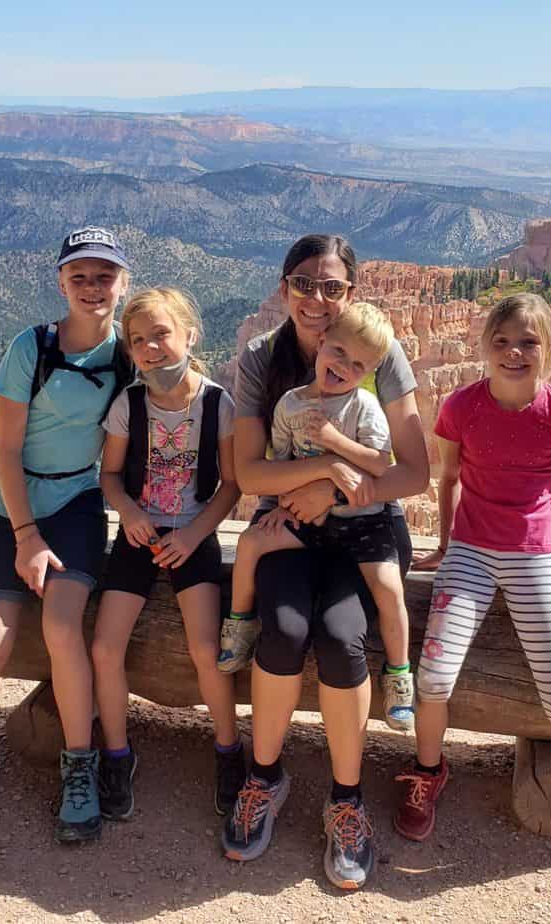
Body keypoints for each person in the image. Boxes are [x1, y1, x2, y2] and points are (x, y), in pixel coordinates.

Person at [392, 293, 551, 894]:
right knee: (432, 680)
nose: (514, 352)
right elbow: (449, 478)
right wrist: (445, 547)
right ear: (484, 346)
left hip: (533, 556)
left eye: (528, 342)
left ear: (548, 350)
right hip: (472, 553)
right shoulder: (461, 407)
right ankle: (429, 770)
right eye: (503, 341)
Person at [222, 234, 429, 891]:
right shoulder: (263, 359)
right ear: (284, 287)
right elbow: (248, 469)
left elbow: (415, 473)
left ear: (350, 295)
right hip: (288, 522)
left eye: (331, 287)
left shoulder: (379, 354)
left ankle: (346, 799)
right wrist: (320, 472)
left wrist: (332, 487)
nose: (316, 299)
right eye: (303, 284)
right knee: (281, 630)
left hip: (362, 530)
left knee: (342, 640)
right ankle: (264, 778)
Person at [0, 226, 134, 846]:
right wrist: (24, 535)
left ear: (123, 283)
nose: (92, 288)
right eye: (80, 277)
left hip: (78, 501)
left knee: (64, 628)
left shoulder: (126, 354)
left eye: (104, 276)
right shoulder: (30, 348)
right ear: (61, 282)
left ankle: (78, 767)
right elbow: (6, 451)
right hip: (10, 505)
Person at [217, 302, 415, 733]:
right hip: (309, 520)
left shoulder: (363, 407)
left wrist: (332, 440)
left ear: (370, 371)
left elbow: (381, 463)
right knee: (250, 544)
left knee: (388, 587)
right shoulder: (289, 405)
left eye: (358, 363)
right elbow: (280, 465)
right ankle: (240, 623)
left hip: (363, 522)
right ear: (322, 342)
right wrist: (282, 510)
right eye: (339, 352)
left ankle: (400, 673)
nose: (343, 366)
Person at [92, 287, 246, 820]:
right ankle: (116, 753)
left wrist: (195, 534)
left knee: (207, 650)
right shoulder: (128, 406)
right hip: (139, 534)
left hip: (193, 535)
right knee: (105, 650)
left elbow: (229, 486)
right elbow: (110, 476)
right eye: (139, 341)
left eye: (161, 334)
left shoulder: (216, 404)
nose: (152, 348)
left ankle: (229, 749)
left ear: (189, 336)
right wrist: (130, 515)